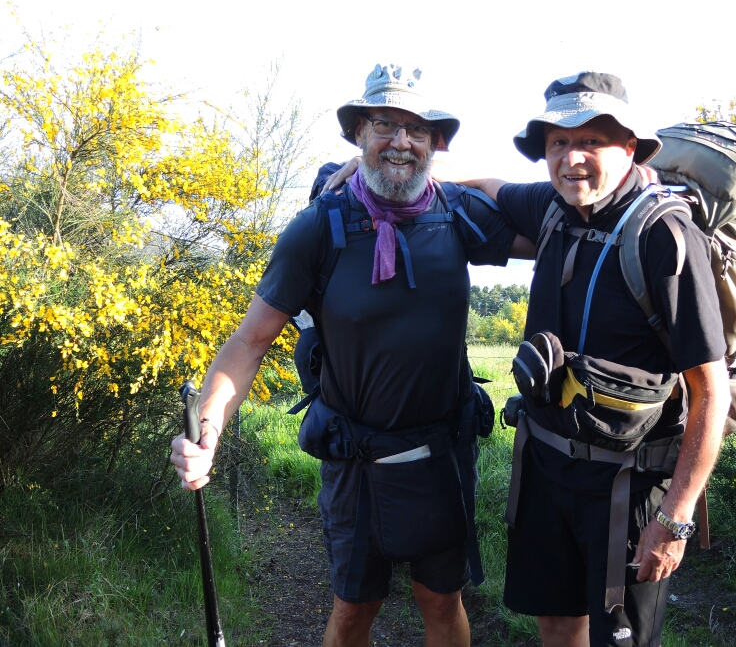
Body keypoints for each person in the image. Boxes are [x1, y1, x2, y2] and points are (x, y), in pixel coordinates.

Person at [170, 63, 522, 647]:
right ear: (358, 133)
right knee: (355, 608)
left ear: (436, 141)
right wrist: (206, 432)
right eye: (384, 124)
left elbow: (555, 223)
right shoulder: (319, 228)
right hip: (356, 461)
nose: (400, 140)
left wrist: (466, 176)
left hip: (441, 454)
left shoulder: (456, 213)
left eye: (416, 129)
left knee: (441, 600)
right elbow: (249, 342)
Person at [464, 72, 731, 647]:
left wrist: (675, 518)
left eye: (591, 141)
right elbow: (488, 186)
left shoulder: (664, 235)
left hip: (627, 488)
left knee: (621, 641)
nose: (571, 159)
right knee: (557, 626)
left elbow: (712, 390)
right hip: (546, 467)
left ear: (629, 148)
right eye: (558, 143)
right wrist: (377, 177)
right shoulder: (553, 208)